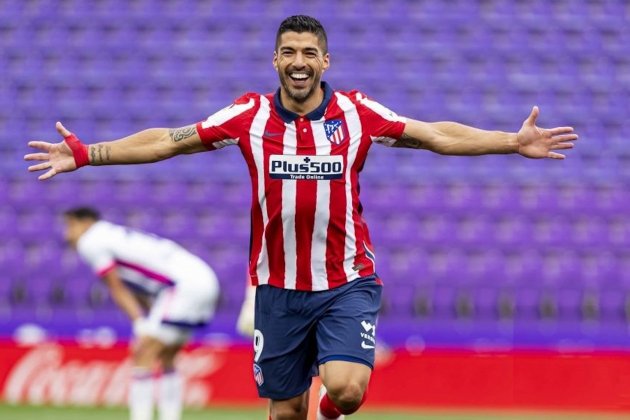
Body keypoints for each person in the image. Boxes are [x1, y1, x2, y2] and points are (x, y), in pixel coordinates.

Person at [26, 15, 578, 420]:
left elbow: (436, 134)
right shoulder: (248, 115)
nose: (298, 61)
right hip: (277, 288)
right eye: (288, 51)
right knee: (284, 412)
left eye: (309, 52)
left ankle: (331, 401)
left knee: (347, 389)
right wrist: (89, 152)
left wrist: (511, 141)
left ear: (325, 61)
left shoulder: (357, 114)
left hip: (347, 280)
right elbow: (168, 141)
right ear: (275, 60)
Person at [62, 207, 219, 420]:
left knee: (143, 353)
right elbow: (135, 287)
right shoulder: (111, 235)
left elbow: (116, 287)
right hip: (201, 278)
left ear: (86, 223)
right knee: (167, 356)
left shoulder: (90, 241)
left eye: (71, 225)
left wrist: (139, 323)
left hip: (181, 287)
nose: (67, 234)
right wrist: (147, 316)